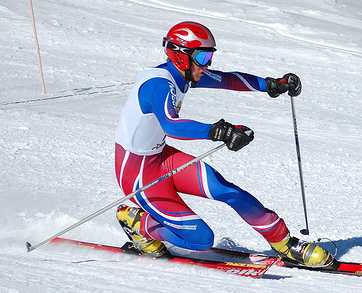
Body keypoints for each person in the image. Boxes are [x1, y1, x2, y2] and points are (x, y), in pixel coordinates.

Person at [114, 21, 335, 267]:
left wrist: (272, 85)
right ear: (181, 56)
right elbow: (171, 125)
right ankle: (137, 223)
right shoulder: (158, 85)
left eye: (210, 55)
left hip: (162, 159)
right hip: (138, 175)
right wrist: (218, 131)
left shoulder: (184, 75)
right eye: (203, 56)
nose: (208, 64)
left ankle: (285, 243)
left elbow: (228, 80)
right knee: (201, 240)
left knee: (227, 191)